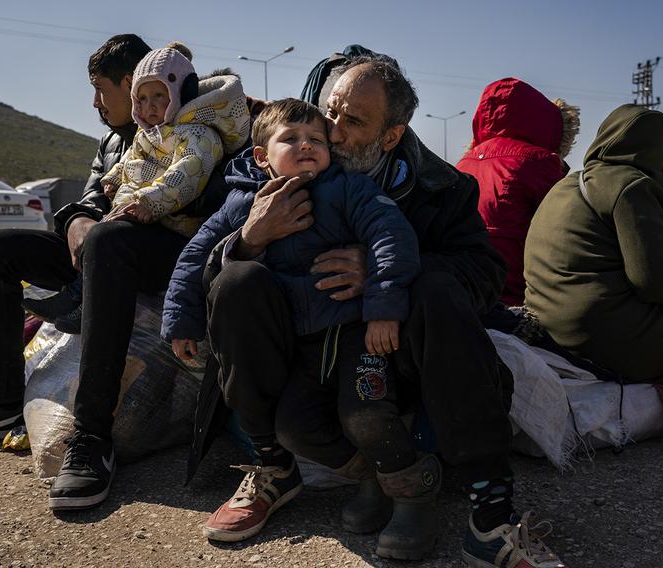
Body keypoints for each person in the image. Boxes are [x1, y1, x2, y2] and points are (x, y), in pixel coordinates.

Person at [194, 55, 566, 567]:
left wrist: (388, 270)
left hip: (393, 350)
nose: (332, 132)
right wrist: (252, 238)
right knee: (237, 280)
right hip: (305, 351)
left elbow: (483, 275)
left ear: (390, 136)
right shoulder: (265, 172)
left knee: (434, 284)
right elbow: (202, 267)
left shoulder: (441, 188)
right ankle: (285, 470)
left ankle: (490, 513)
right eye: (330, 112)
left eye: (354, 122)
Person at [0, 34, 249, 513]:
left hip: (169, 251)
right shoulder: (115, 140)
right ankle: (1, 402)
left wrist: (117, 219)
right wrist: (76, 220)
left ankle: (91, 436)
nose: (94, 102)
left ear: (133, 83)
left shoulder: (197, 127)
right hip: (104, 243)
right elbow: (92, 195)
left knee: (107, 242)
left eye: (100, 89)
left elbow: (203, 198)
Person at [163, 97, 422, 552]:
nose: (307, 146)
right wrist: (181, 319)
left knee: (366, 410)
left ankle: (414, 491)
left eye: (317, 140)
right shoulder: (242, 202)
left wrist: (383, 306)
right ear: (262, 157)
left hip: (349, 334)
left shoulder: (347, 188)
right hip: (292, 346)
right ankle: (366, 475)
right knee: (297, 427)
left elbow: (391, 236)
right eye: (292, 139)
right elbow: (194, 257)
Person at [22, 46, 249, 332]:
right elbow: (133, 159)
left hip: (172, 225)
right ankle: (75, 298)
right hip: (137, 214)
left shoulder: (198, 134)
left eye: (158, 95)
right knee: (99, 239)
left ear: (180, 93)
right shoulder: (148, 134)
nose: (149, 105)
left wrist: (149, 201)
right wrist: (114, 177)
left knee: (106, 239)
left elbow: (187, 175)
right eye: (141, 98)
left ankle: (84, 307)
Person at [524, 103, 663, 382]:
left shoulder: (566, 185)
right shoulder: (632, 186)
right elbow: (656, 283)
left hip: (552, 332)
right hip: (603, 341)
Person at [455, 77, 579, 306]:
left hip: (465, 289)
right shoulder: (540, 162)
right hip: (514, 295)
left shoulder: (463, 163)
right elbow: (564, 233)